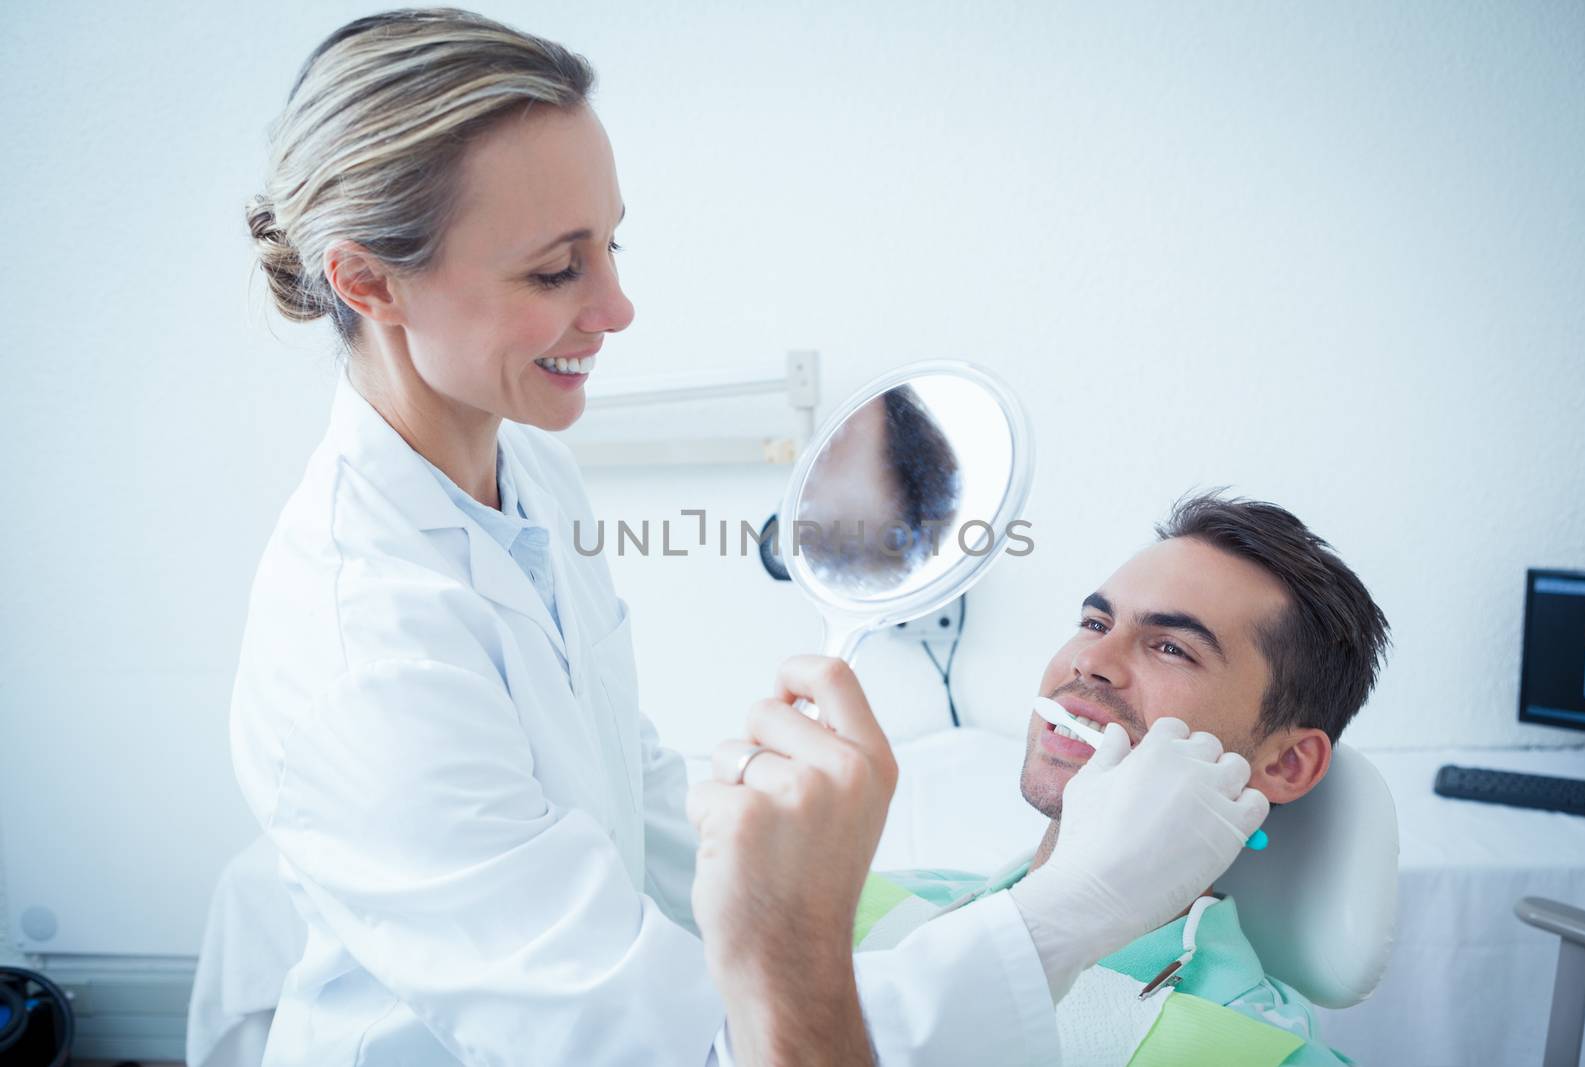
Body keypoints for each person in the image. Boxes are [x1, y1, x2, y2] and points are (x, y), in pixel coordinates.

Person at [231, 10, 1265, 1065]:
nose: (618, 306)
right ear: (368, 282)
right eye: (554, 271)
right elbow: (684, 1048)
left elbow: (623, 791)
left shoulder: (525, 467)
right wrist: (1069, 911)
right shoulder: (366, 657)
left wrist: (829, 909)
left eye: (612, 243)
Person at [752, 492, 1385, 1065]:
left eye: (1172, 647)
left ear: (1285, 764)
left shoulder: (1257, 1051)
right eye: (1095, 623)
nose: (1090, 661)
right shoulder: (865, 903)